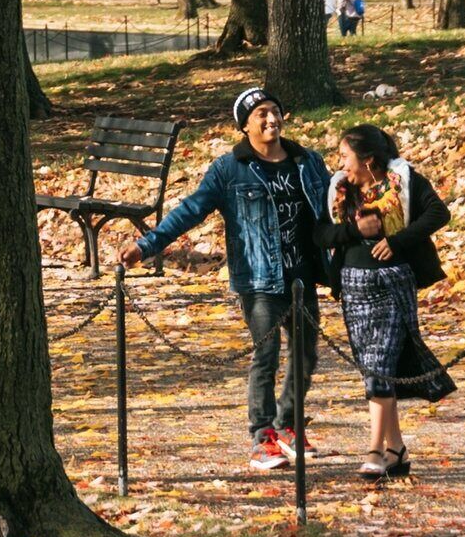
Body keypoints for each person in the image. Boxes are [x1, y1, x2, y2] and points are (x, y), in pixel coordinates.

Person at [131, 86, 330, 471]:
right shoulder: (230, 168)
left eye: (275, 111)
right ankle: (262, 437)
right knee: (266, 356)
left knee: (306, 357)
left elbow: (330, 209)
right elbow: (191, 210)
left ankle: (288, 426)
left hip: (303, 277)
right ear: (245, 125)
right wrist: (147, 245)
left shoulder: (307, 161)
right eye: (261, 114)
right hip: (259, 280)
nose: (272, 119)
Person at [326, 122, 451, 480]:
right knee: (373, 367)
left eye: (346, 156)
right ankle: (396, 449)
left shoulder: (404, 181)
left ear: (367, 160)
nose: (341, 163)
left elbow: (438, 213)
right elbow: (322, 232)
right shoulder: (339, 187)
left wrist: (398, 242)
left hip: (393, 282)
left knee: (381, 362)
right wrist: (351, 231)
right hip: (353, 284)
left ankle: (375, 451)